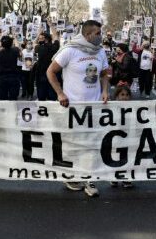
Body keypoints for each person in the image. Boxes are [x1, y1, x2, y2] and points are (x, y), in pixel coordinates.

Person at [46, 19, 110, 198]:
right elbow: (50, 72)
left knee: (93, 143)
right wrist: (60, 93)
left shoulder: (100, 52)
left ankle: (89, 179)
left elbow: (104, 73)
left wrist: (105, 90)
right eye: (98, 33)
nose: (100, 36)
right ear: (87, 34)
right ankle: (73, 176)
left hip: (95, 106)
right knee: (75, 144)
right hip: (73, 107)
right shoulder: (69, 50)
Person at [109, 84, 135, 189]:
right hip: (116, 138)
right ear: (116, 97)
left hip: (128, 137)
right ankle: (114, 176)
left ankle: (126, 178)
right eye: (122, 95)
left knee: (128, 157)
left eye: (127, 95)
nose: (124, 97)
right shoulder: (112, 109)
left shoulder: (134, 109)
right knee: (115, 157)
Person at [35, 31, 59, 101]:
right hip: (53, 74)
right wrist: (51, 25)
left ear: (45, 39)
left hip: (42, 74)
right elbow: (56, 36)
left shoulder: (39, 48)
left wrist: (39, 33)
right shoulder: (55, 46)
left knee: (41, 97)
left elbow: (34, 43)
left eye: (40, 38)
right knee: (52, 96)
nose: (39, 39)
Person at [0, 35, 21, 100]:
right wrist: (14, 36)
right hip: (13, 77)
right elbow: (18, 46)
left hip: (2, 77)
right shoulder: (15, 51)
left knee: (3, 99)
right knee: (13, 99)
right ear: (11, 43)